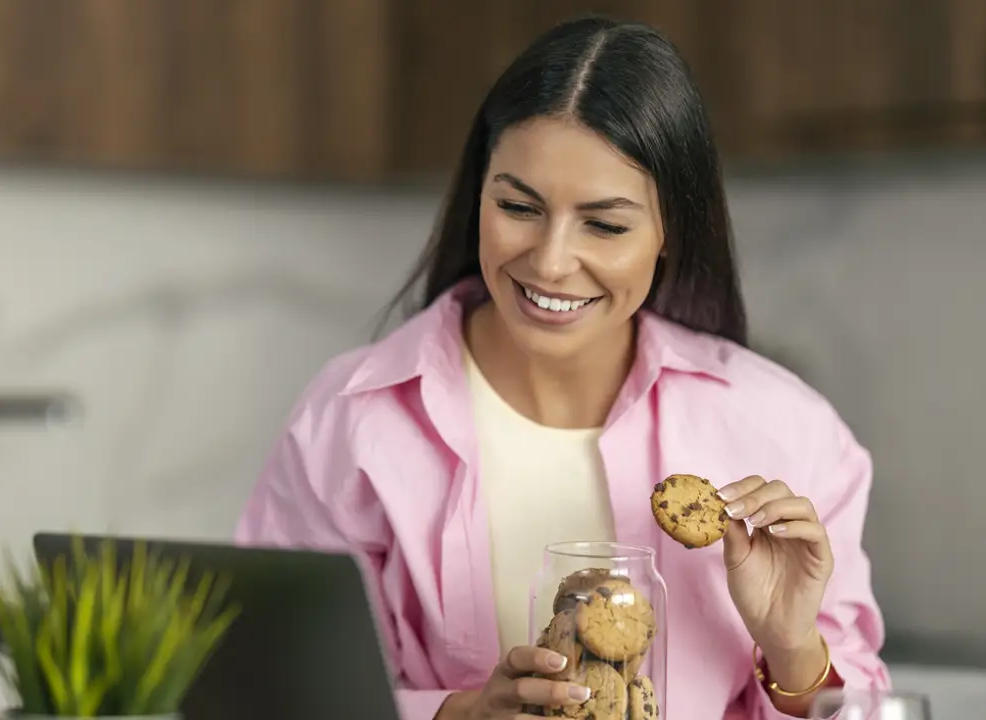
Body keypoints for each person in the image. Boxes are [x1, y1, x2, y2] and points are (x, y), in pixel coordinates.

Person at [235, 15, 889, 720]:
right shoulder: (352, 420)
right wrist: (453, 715)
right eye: (519, 207)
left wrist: (792, 648)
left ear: (671, 232)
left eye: (605, 225)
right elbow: (263, 693)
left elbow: (864, 706)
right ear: (477, 197)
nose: (549, 262)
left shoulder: (784, 431)